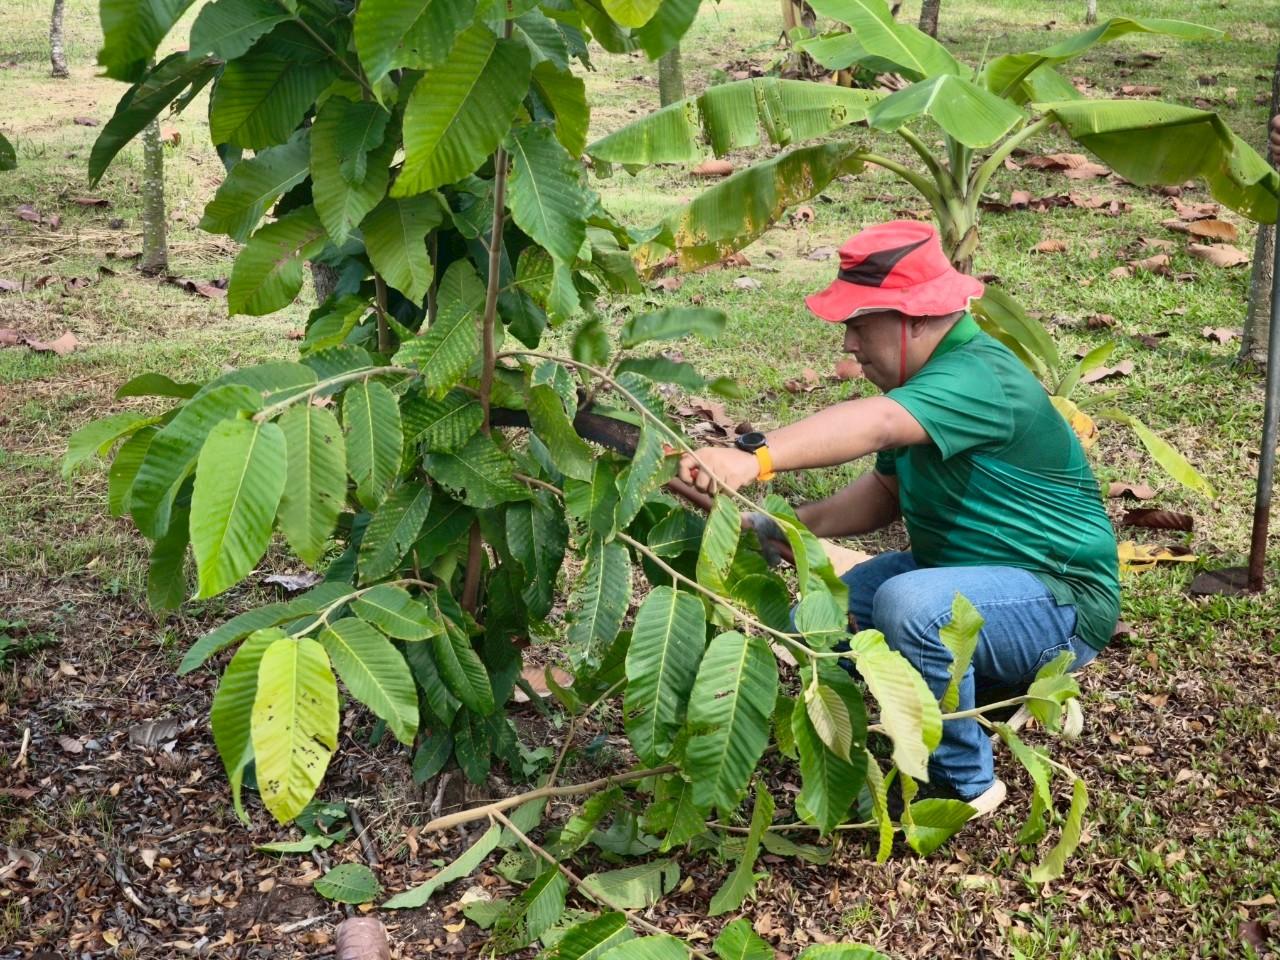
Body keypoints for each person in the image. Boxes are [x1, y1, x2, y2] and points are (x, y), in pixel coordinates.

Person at [677, 220, 1120, 817]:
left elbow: (874, 423)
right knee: (830, 607)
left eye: (860, 327)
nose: (850, 347)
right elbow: (882, 494)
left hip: (1057, 599)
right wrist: (778, 528)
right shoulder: (926, 382)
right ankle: (994, 688)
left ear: (912, 317)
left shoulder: (976, 376)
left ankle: (963, 784)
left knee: (914, 607)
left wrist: (756, 460)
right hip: (972, 578)